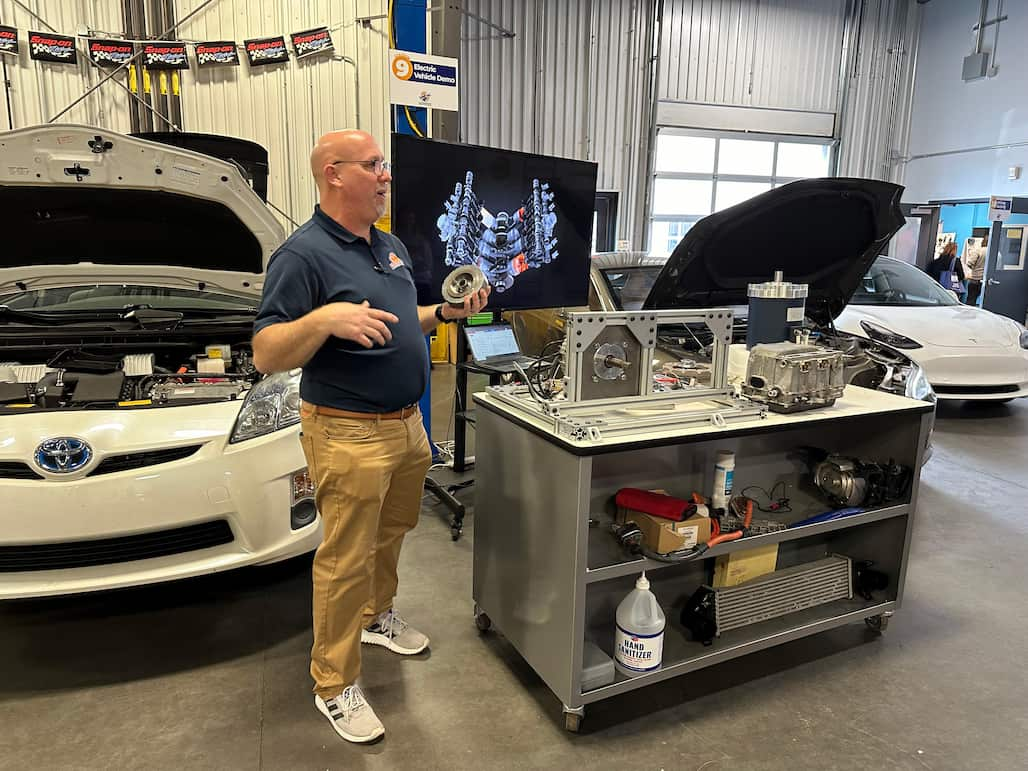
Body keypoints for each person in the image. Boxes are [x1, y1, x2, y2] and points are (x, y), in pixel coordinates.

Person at [251, 129, 489, 744]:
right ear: (333, 174)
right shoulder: (302, 256)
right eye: (373, 165)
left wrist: (447, 314)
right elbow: (266, 351)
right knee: (344, 556)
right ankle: (333, 684)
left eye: (383, 165)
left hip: (407, 424)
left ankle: (375, 616)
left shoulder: (388, 246)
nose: (385, 175)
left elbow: (398, 318)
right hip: (347, 430)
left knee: (393, 531)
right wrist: (327, 317)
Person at [964, 235, 988, 306]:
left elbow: (969, 263)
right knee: (985, 301)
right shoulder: (996, 253)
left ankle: (968, 316)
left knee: (971, 299)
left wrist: (975, 269)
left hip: (975, 279)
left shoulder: (978, 251)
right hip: (987, 281)